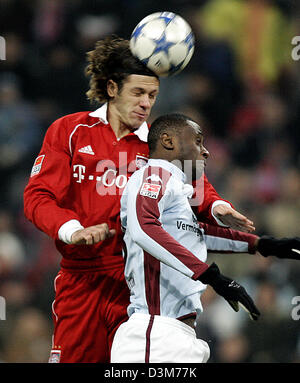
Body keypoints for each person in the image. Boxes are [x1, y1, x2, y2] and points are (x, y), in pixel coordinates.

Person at [24, 36, 254, 363]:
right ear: (112, 88)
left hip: (140, 291)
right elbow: (38, 196)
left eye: (152, 95)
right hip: (81, 281)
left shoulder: (160, 145)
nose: (146, 103)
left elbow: (198, 191)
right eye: (138, 93)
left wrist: (218, 207)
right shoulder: (70, 131)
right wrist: (72, 229)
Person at [111, 113, 300, 363]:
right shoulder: (154, 175)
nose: (206, 151)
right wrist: (211, 275)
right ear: (168, 141)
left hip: (178, 335)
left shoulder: (179, 189)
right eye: (198, 141)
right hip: (153, 334)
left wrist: (262, 245)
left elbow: (195, 233)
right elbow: (143, 228)